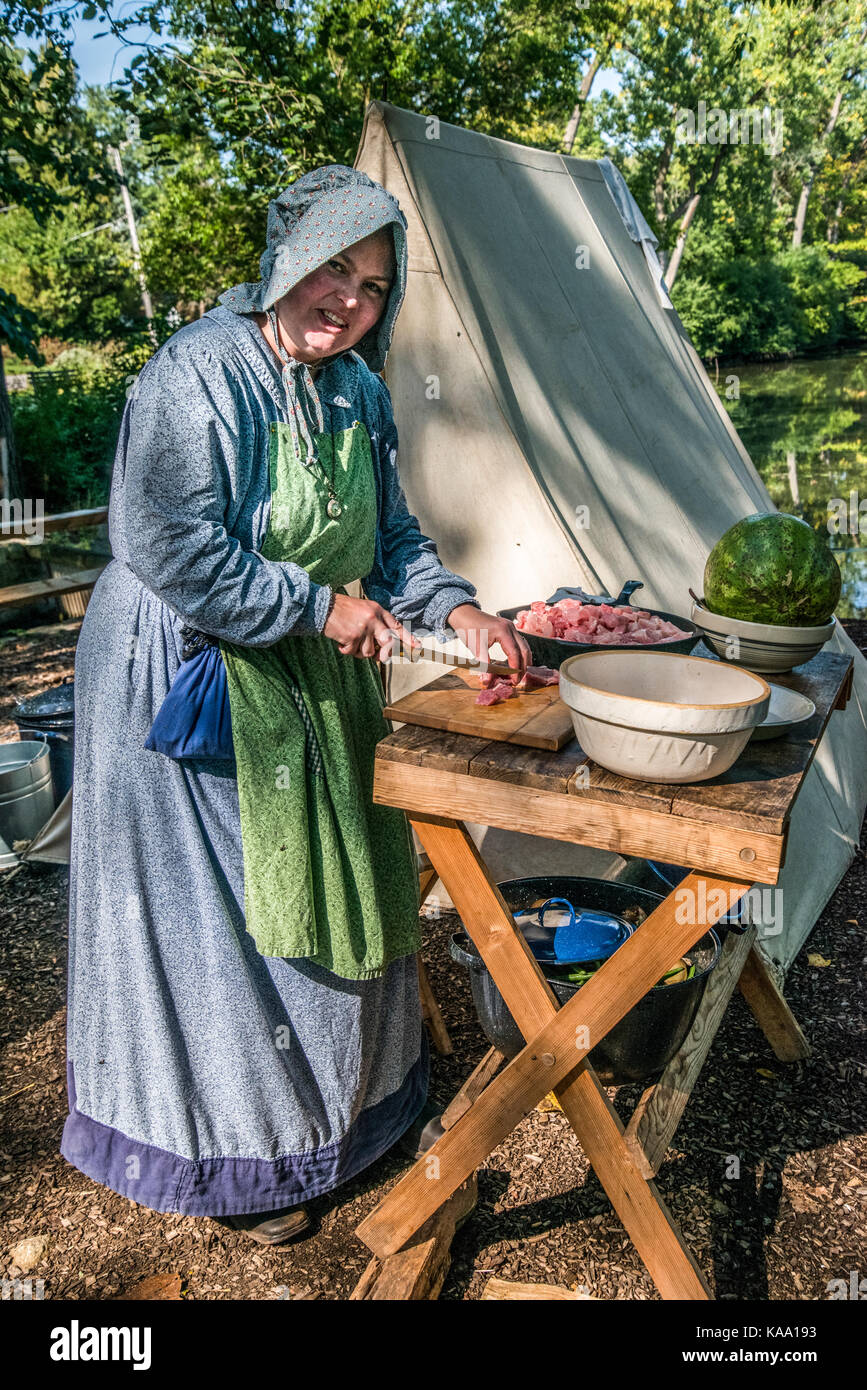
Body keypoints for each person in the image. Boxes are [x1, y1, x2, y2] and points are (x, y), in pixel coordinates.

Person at [61, 164, 530, 1244]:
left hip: (314, 661)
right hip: (187, 668)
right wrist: (316, 607)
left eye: (372, 285)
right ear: (283, 259)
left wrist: (456, 614)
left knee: (340, 864)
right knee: (224, 913)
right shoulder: (196, 373)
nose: (348, 300)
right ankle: (244, 1160)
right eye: (331, 268)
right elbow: (169, 542)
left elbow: (397, 539)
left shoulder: (358, 387)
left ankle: (348, 1117)